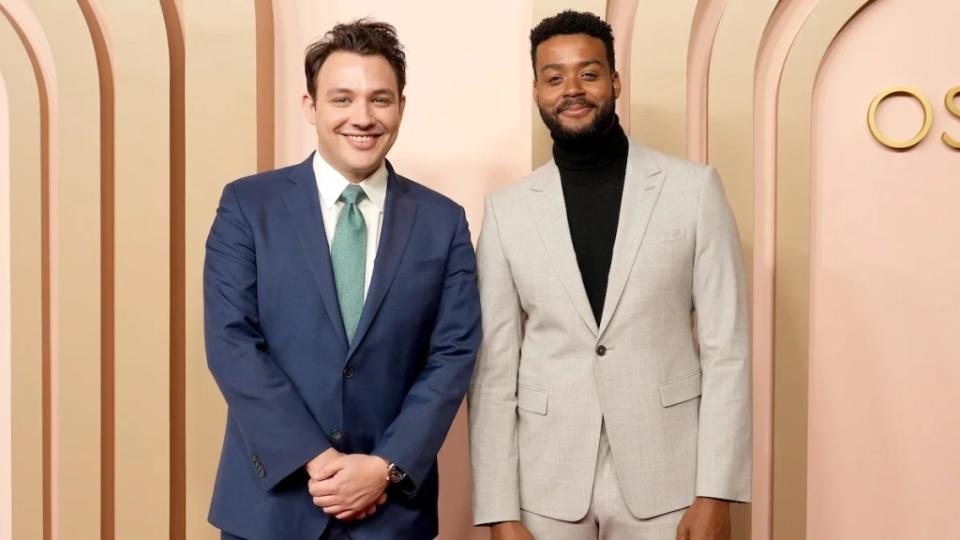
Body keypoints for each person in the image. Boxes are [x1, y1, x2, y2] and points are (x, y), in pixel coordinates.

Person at [469, 10, 751, 540]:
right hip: (545, 483)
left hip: (669, 477)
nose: (571, 89)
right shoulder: (507, 212)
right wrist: (500, 511)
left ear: (615, 81)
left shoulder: (694, 191)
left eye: (589, 73)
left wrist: (716, 492)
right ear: (537, 91)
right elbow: (493, 371)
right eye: (554, 77)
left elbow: (726, 349)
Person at [204, 19, 481, 540]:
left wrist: (385, 467)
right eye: (342, 99)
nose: (363, 117)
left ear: (401, 105)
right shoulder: (248, 205)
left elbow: (453, 355)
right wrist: (316, 459)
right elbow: (231, 343)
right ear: (310, 107)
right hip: (271, 509)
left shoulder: (443, 221)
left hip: (392, 513)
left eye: (380, 99)